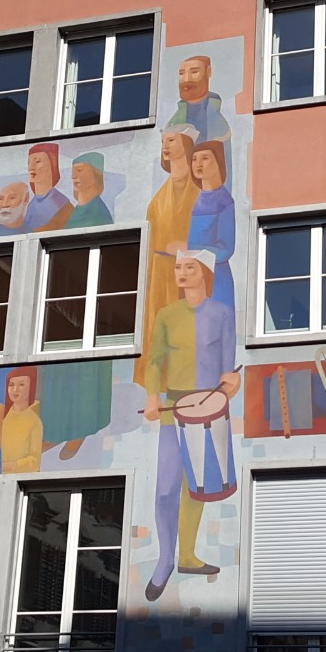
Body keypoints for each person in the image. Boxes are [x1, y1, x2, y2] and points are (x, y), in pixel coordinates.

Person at [140, 252, 238, 600]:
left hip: (208, 408)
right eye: (178, 268)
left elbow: (228, 365)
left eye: (189, 267)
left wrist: (230, 384)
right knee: (166, 486)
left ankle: (187, 556)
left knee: (199, 485)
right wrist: (153, 396)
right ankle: (165, 559)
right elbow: (154, 361)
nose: (181, 273)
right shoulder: (167, 315)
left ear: (204, 273)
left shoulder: (222, 313)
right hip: (173, 407)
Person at [143, 123, 200, 349]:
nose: (165, 146)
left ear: (185, 144)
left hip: (189, 271)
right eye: (163, 142)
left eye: (171, 140)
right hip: (161, 273)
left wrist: (189, 245)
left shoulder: (200, 193)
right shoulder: (157, 200)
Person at [187, 141, 237, 312]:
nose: (198, 164)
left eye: (205, 158)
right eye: (194, 159)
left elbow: (225, 250)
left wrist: (187, 248)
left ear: (218, 162)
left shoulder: (224, 201)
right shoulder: (192, 200)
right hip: (190, 279)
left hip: (216, 280)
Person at [166, 56, 230, 145]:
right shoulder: (175, 121)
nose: (186, 79)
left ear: (208, 72)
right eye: (181, 73)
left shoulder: (217, 118)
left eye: (194, 72)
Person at [1, 367, 44, 474]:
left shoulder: (34, 422)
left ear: (31, 387)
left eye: (21, 384)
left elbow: (34, 462)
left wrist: (11, 465)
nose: (15, 390)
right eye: (11, 385)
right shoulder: (4, 418)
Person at [22, 143, 72, 232]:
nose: (31, 168)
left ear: (52, 165)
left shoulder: (63, 205)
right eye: (29, 163)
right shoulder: (29, 207)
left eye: (38, 161)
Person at [63, 151, 112, 228]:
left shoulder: (99, 212)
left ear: (95, 173)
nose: (73, 176)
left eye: (79, 170)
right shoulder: (75, 210)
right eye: (73, 171)